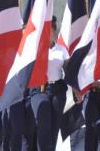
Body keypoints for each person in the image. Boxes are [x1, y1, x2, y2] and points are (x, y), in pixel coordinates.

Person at [27, 20, 68, 151]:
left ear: (54, 30)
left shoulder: (62, 50)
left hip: (57, 89)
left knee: (54, 127)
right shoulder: (34, 48)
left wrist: (77, 89)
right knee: (43, 122)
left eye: (48, 29)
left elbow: (69, 71)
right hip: (39, 89)